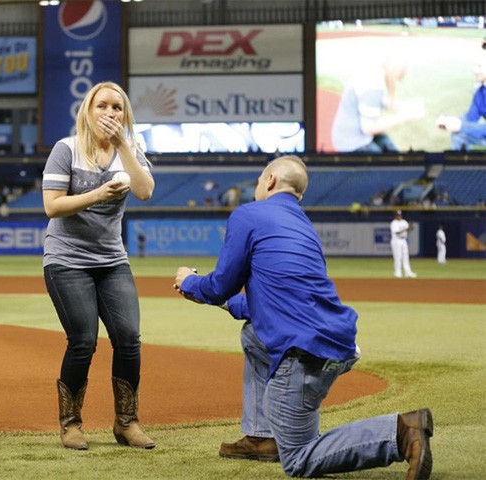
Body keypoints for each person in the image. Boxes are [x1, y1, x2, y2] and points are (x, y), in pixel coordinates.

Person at [173, 155, 433, 479]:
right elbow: (272, 303)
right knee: (253, 336)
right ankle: (261, 436)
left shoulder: (249, 214)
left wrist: (190, 281)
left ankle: (400, 432)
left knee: (299, 458)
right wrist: (227, 305)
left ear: (269, 181)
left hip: (304, 353)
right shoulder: (303, 226)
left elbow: (220, 285)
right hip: (337, 342)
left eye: (258, 180)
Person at [41, 81, 156, 451]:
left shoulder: (131, 149)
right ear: (88, 112)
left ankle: (127, 423)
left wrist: (124, 145)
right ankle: (71, 424)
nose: (110, 113)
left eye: (118, 108)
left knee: (128, 338)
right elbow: (52, 206)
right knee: (83, 341)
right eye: (102, 106)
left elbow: (146, 191)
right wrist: (96, 194)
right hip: (67, 260)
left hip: (111, 260)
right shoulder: (67, 149)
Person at [331, 48, 425, 152]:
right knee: (394, 166)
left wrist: (409, 106)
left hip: (354, 136)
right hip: (351, 144)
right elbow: (369, 128)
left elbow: (383, 101)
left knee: (396, 156)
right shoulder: (373, 85)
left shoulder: (377, 73)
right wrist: (406, 117)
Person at [436, 47, 486, 151]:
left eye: (480, 66)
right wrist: (450, 121)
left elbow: (465, 126)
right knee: (458, 134)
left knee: (460, 130)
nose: (475, 71)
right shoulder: (480, 92)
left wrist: (460, 126)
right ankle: (460, 164)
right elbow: (471, 118)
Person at [390, 209, 417, 278]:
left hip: (403, 240)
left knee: (406, 257)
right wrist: (406, 229)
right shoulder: (394, 223)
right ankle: (397, 272)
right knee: (398, 257)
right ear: (395, 216)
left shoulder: (404, 222)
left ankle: (408, 272)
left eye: (400, 215)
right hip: (396, 241)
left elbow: (408, 231)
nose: (399, 216)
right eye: (398, 215)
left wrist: (411, 228)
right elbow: (397, 232)